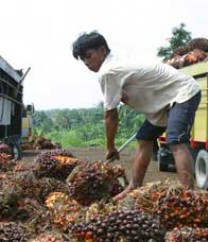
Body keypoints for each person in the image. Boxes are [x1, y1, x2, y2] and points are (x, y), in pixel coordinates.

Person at [72, 31, 201, 199]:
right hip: (164, 99)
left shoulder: (108, 71)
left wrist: (110, 147)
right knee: (144, 137)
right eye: (83, 59)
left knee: (175, 140)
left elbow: (111, 114)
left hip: (182, 92)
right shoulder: (118, 61)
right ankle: (133, 186)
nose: (87, 63)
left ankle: (188, 196)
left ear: (102, 50)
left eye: (89, 56)